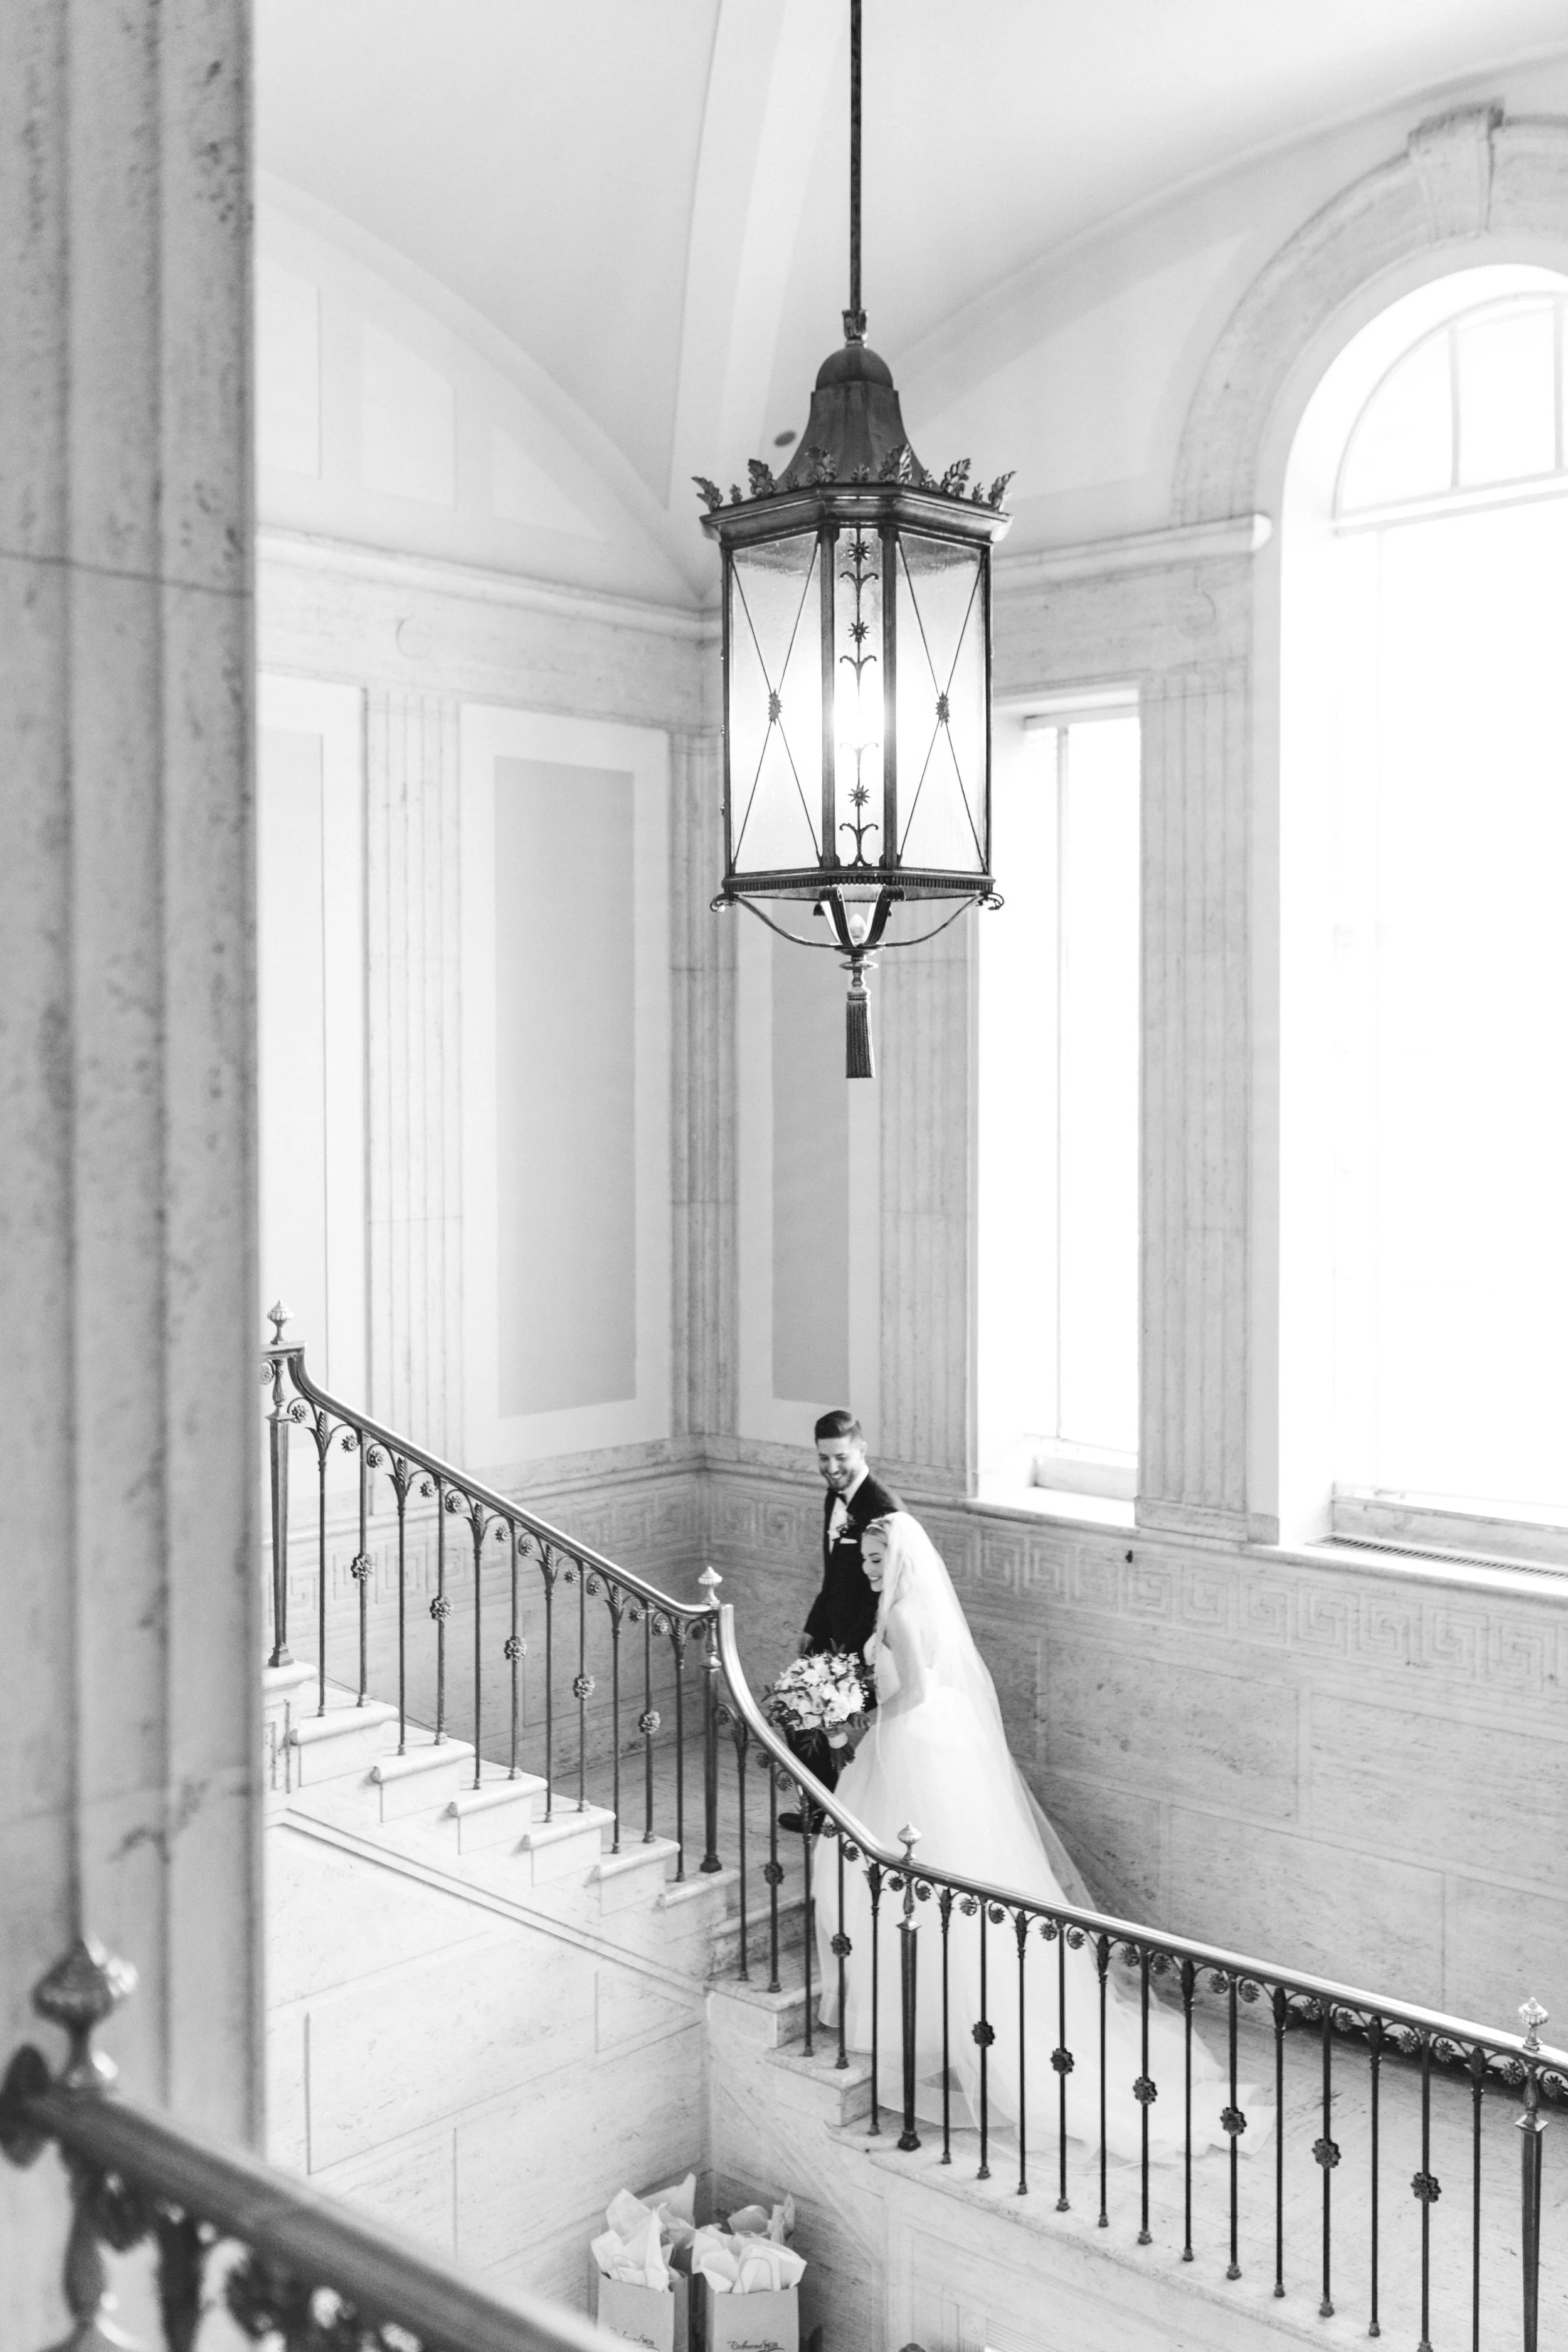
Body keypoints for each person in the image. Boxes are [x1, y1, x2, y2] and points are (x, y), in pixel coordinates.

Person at [813, 1512, 1272, 2163]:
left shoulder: (897, 1616)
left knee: (884, 1873)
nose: (869, 1568)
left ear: (905, 1561)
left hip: (908, 1743)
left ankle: (927, 2029)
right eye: (864, 1559)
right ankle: (940, 2024)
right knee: (926, 1879)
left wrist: (854, 1716)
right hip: (933, 1746)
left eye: (879, 1559)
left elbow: (912, 1690)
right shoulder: (916, 1607)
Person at [777, 1411, 901, 1833]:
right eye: (823, 1458)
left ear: (861, 1450)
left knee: (820, 1718)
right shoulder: (835, 1497)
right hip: (830, 1631)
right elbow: (833, 1576)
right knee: (795, 1713)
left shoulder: (882, 1509)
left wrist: (848, 1660)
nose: (832, 1468)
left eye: (841, 1457)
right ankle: (821, 1812)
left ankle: (838, 1818)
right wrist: (812, 1628)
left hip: (867, 1643)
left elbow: (884, 1592)